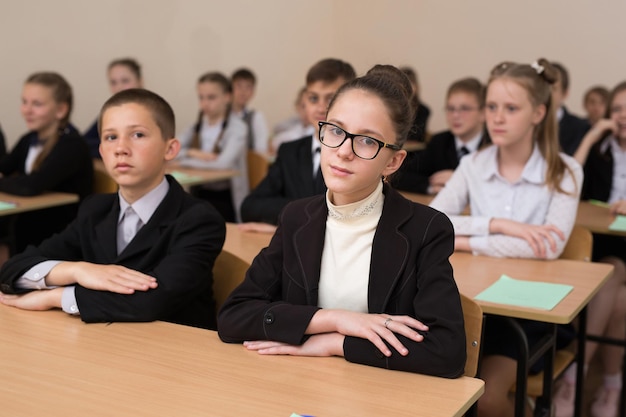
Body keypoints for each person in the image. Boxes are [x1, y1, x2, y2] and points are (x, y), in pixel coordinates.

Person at [218, 65, 466, 377]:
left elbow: (447, 352)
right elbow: (234, 316)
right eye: (336, 131)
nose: (344, 151)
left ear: (393, 161)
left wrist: (336, 343)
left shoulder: (426, 229)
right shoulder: (297, 217)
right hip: (298, 385)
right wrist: (334, 319)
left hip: (384, 394)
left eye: (366, 141)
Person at [430, 59, 583, 416]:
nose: (497, 118)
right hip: (471, 304)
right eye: (492, 107)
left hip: (528, 314)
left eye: (511, 108)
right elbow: (435, 222)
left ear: (538, 113)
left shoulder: (565, 170)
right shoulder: (474, 165)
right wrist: (499, 224)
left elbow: (548, 247)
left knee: (485, 397)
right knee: (440, 387)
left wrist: (464, 239)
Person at [0, 88, 226, 330]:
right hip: (101, 345)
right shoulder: (95, 210)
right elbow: (12, 270)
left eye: (138, 135)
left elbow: (152, 301)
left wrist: (56, 297)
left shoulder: (199, 219)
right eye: (110, 137)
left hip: (173, 355)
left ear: (169, 149)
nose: (121, 148)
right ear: (101, 152)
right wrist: (77, 270)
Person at [552, 81, 626, 417]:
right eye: (617, 110)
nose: (623, 117)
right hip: (597, 244)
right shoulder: (599, 150)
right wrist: (594, 135)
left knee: (613, 278)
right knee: (619, 301)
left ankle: (575, 374)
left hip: (621, 250)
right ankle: (611, 385)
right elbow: (570, 178)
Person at [239, 58, 356, 230]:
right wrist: (302, 217)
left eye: (330, 99)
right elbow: (250, 207)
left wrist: (288, 220)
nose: (320, 108)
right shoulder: (290, 152)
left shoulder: (355, 155)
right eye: (313, 98)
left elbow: (345, 216)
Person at [0, 72, 93, 254]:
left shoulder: (71, 145)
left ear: (61, 110)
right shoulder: (28, 139)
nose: (27, 110)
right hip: (29, 229)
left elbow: (31, 186)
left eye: (37, 104)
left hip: (60, 237)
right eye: (24, 102)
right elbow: (4, 167)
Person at [395, 77, 489, 194]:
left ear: (483, 113)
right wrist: (429, 186)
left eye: (464, 108)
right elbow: (399, 175)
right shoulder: (440, 142)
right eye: (450, 108)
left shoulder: (494, 145)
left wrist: (461, 180)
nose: (455, 115)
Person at [177, 72, 248, 222]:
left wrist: (184, 161)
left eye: (211, 97)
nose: (205, 103)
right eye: (201, 97)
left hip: (226, 197)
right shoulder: (196, 126)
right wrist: (192, 152)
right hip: (199, 192)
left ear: (227, 97)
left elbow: (223, 164)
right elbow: (170, 151)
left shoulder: (238, 128)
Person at [83, 58, 143, 159]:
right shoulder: (111, 112)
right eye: (113, 82)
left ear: (139, 81)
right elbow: (83, 142)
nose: (119, 87)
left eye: (125, 81)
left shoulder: (149, 112)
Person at [552, 62, 591, 156]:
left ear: (565, 93)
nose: (547, 94)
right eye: (543, 88)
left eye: (553, 88)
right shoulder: (526, 123)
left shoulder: (580, 128)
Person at [230, 68, 269, 153]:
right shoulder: (220, 114)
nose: (243, 91)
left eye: (248, 87)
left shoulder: (256, 117)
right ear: (230, 89)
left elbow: (261, 150)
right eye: (239, 86)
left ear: (253, 92)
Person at [270, 87, 314, 155]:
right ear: (297, 107)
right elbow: (275, 142)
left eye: (311, 106)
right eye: (303, 106)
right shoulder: (296, 128)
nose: (306, 111)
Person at [400, 66, 431, 142]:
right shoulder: (390, 108)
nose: (407, 88)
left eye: (410, 83)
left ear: (416, 86)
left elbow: (417, 137)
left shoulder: (423, 110)